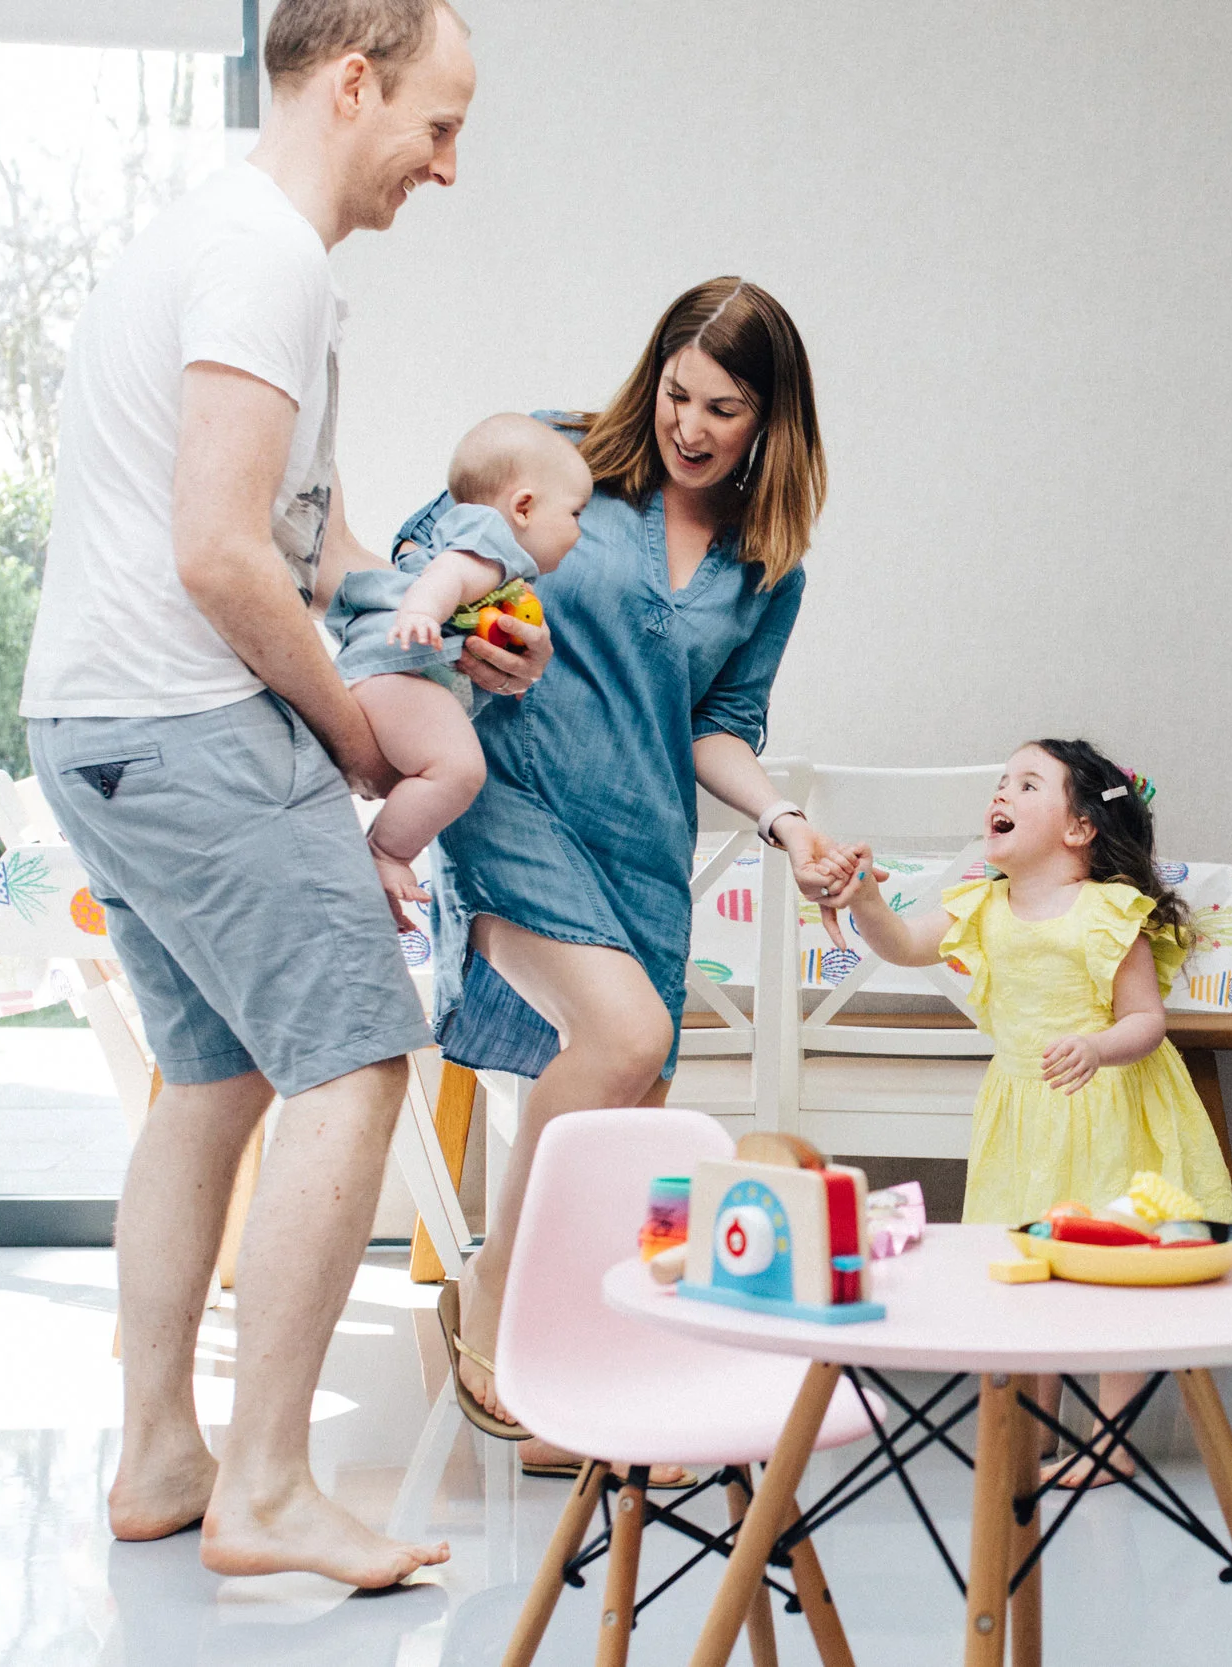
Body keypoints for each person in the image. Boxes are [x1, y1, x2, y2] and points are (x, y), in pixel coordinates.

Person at [17, 0, 541, 1588]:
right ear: (353, 85)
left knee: (212, 1077)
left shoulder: (233, 249)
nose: (446, 166)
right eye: (437, 125)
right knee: (359, 1056)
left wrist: (437, 622)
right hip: (186, 717)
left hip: (94, 718)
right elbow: (218, 554)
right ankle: (268, 1484)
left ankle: (165, 1454)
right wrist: (359, 741)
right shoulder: (267, 259)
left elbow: (312, 548)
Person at [416, 278, 853, 1459]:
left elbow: (719, 727)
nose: (690, 427)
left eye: (722, 408)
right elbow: (426, 566)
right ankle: (493, 1298)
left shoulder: (768, 565)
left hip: (641, 843)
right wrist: (470, 637)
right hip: (511, 795)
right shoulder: (558, 460)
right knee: (622, 1036)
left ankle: (577, 1377)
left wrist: (787, 824)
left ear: (769, 421)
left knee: (621, 1111)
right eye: (676, 393)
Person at [831, 738, 1232, 1482]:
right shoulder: (983, 905)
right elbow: (904, 945)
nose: (1001, 793)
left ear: (1079, 827)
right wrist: (865, 900)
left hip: (1106, 1107)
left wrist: (1096, 1046)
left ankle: (1110, 1441)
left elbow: (1146, 1020)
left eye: (1026, 784)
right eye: (1001, 782)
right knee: (1027, 1261)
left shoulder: (1107, 912)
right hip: (1023, 1114)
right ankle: (1038, 1428)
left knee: (1112, 1268)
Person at [323, 414, 594, 908]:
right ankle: (385, 851)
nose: (580, 531)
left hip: (394, 672)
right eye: (575, 513)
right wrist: (424, 611)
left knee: (441, 765)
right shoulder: (488, 537)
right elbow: (451, 571)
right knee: (458, 770)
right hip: (394, 670)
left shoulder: (495, 556)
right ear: (524, 507)